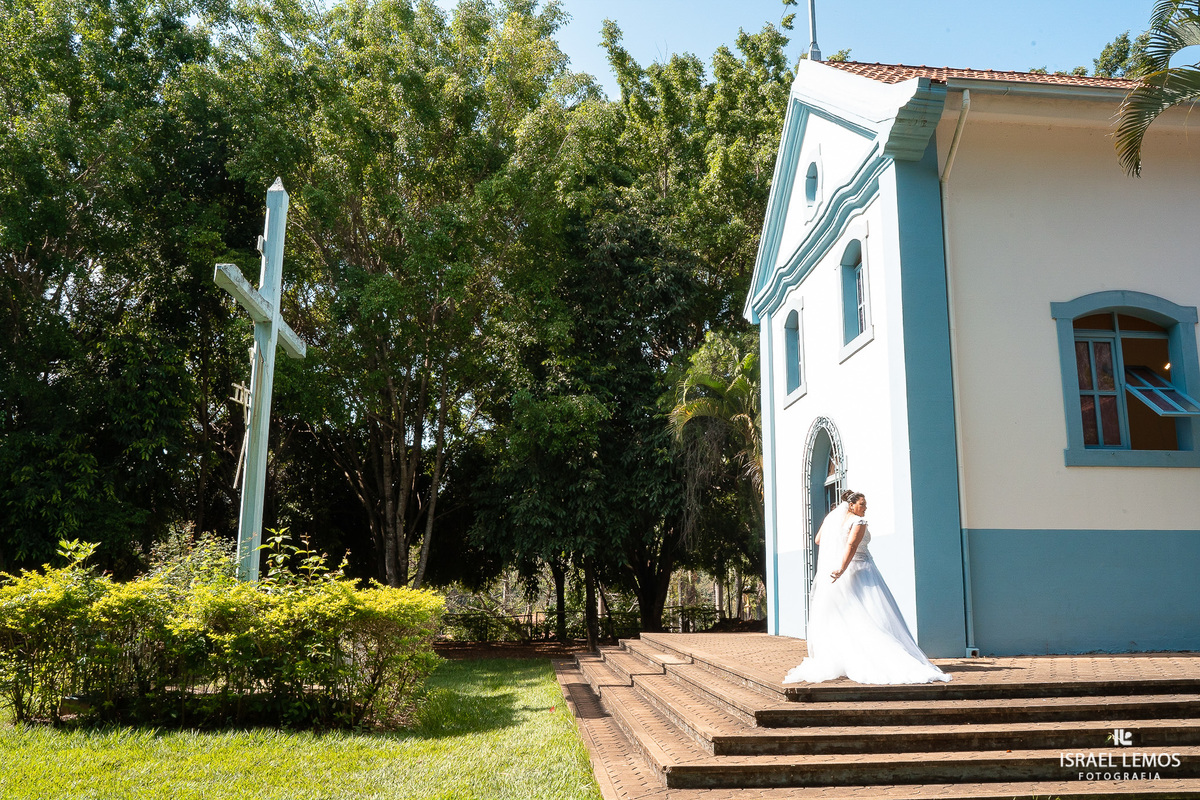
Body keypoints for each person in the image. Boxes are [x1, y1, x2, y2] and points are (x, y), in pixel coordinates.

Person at [783, 489, 951, 685]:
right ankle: (879, 656)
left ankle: (850, 657)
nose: (865, 508)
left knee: (851, 614)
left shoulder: (834, 519)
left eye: (865, 505)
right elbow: (852, 547)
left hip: (845, 576)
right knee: (874, 614)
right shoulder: (858, 522)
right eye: (862, 504)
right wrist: (841, 569)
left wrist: (831, 525)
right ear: (851, 505)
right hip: (862, 572)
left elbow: (819, 539)